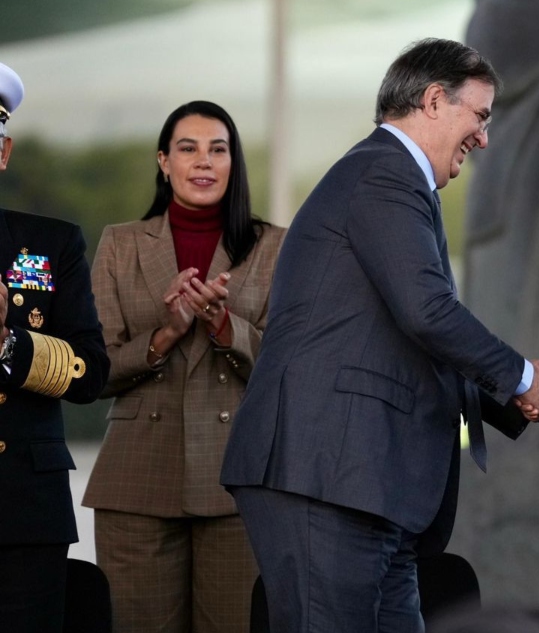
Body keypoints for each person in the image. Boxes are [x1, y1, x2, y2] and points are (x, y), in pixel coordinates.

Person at [219, 38, 539, 633]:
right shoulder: (383, 173)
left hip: (367, 485)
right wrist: (525, 379)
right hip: (328, 476)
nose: (483, 137)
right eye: (480, 117)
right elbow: (428, 313)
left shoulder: (395, 180)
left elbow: (411, 342)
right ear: (434, 100)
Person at [80, 100, 285, 633]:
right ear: (163, 162)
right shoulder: (119, 244)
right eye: (187, 148)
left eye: (218, 150)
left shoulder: (274, 247)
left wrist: (223, 327)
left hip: (237, 481)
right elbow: (93, 371)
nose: (203, 161)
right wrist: (168, 332)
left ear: (234, 163)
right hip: (135, 483)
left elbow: (289, 366)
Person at [0, 61, 110, 632]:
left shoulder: (50, 244)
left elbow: (91, 373)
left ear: (4, 152)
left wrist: (7, 345)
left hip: (22, 511)